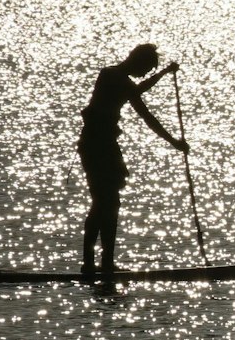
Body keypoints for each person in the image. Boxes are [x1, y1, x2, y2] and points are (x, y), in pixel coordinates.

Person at [79, 44, 188, 277]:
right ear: (136, 61)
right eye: (146, 68)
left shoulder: (119, 78)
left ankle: (106, 262)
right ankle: (90, 263)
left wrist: (163, 73)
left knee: (111, 203)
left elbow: (136, 89)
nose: (145, 73)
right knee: (102, 202)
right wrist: (174, 142)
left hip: (106, 146)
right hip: (96, 147)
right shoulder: (111, 75)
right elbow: (145, 113)